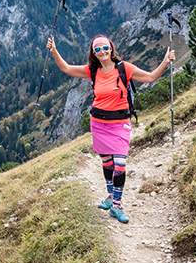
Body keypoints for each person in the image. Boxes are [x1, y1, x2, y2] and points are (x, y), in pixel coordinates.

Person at [46, 34, 174, 223]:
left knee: (120, 163)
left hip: (120, 124)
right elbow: (66, 68)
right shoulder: (93, 71)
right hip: (98, 123)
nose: (102, 51)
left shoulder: (125, 68)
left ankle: (117, 205)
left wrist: (165, 61)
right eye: (97, 49)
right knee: (107, 162)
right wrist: (54, 51)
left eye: (105, 47)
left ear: (111, 48)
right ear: (94, 53)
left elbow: (150, 77)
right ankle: (110, 196)